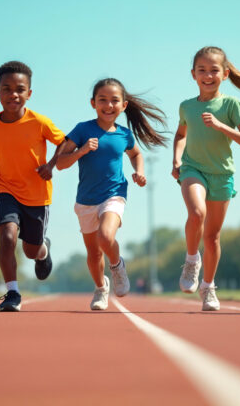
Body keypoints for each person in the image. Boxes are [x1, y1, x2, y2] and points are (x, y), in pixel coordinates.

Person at [56, 78, 168, 310]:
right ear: (93, 103)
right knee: (94, 253)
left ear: (124, 105)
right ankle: (100, 288)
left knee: (105, 237)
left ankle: (117, 266)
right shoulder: (82, 129)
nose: (108, 105)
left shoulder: (124, 135)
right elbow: (60, 163)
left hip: (114, 193)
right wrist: (82, 150)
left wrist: (139, 172)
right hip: (86, 199)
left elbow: (136, 154)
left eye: (114, 100)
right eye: (102, 100)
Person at [172, 46, 240, 311]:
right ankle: (192, 260)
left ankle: (208, 287)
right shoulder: (186, 106)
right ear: (193, 74)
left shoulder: (231, 105)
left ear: (225, 74)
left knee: (213, 238)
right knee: (196, 212)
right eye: (202, 70)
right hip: (193, 169)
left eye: (214, 70)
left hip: (222, 174)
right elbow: (181, 135)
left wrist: (220, 126)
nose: (208, 75)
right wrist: (177, 160)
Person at [0, 61, 66, 312]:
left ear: (29, 94)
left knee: (30, 250)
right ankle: (13, 293)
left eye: (19, 89)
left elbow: (65, 142)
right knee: (7, 237)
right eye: (6, 89)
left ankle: (43, 250)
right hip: (5, 188)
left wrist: (52, 165)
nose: (13, 94)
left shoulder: (40, 122)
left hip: (37, 194)